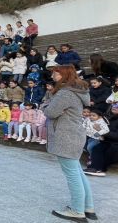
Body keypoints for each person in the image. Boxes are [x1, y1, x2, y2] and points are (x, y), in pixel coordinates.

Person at [42, 65, 96, 222]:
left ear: (64, 75)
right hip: (73, 135)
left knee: (72, 174)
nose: (52, 75)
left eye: (56, 72)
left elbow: (50, 112)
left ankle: (77, 210)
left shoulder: (65, 93)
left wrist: (45, 104)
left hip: (66, 136)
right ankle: (88, 208)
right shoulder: (75, 91)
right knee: (77, 171)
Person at [85, 102, 118, 177]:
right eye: (113, 105)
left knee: (109, 150)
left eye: (117, 106)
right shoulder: (111, 117)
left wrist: (102, 132)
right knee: (97, 147)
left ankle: (97, 168)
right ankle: (95, 168)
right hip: (113, 143)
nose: (114, 107)